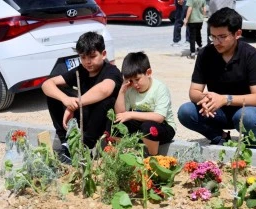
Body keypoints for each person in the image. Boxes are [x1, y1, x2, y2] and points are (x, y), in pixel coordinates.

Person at [177, 7, 256, 148]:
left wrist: (224, 99)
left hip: (248, 110)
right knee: (186, 111)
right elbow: (194, 92)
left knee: (248, 117)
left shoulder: (250, 55)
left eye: (222, 37)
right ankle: (219, 136)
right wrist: (206, 99)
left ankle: (249, 142)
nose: (216, 42)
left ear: (237, 33)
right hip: (218, 111)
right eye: (213, 37)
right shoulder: (205, 54)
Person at [42, 31, 122, 161]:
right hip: (85, 118)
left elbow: (104, 89)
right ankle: (65, 142)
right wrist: (66, 100)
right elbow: (47, 84)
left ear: (103, 54)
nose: (88, 62)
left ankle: (86, 146)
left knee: (107, 100)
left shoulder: (112, 71)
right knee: (54, 94)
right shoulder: (81, 71)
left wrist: (74, 105)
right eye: (83, 57)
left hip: (104, 123)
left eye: (92, 56)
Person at [114, 52, 176, 156]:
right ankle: (125, 154)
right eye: (131, 81)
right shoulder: (130, 89)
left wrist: (131, 114)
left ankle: (153, 157)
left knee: (148, 128)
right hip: (140, 125)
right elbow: (120, 113)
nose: (135, 84)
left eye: (137, 79)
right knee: (115, 123)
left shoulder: (159, 88)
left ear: (148, 72)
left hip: (163, 127)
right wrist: (121, 92)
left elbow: (159, 117)